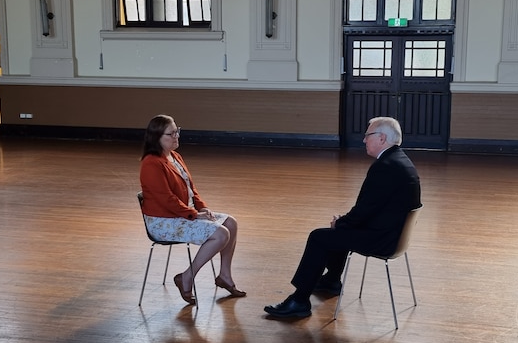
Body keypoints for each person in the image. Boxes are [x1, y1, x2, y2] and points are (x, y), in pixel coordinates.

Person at [264, 116, 421, 319]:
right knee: (340, 231)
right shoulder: (400, 161)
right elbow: (372, 208)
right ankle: (330, 281)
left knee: (319, 237)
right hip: (394, 235)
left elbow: (365, 209)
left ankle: (300, 300)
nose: (364, 140)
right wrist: (346, 222)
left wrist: (341, 222)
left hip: (383, 239)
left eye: (368, 135)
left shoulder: (385, 167)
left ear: (382, 138)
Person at [140, 114, 245, 304]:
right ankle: (187, 277)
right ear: (157, 137)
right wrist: (195, 214)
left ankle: (225, 276)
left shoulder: (175, 156)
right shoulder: (150, 163)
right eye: (171, 134)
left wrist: (204, 208)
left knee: (231, 222)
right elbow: (166, 199)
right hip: (163, 221)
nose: (176, 136)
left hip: (181, 213)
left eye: (177, 131)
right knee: (221, 234)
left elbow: (191, 189)